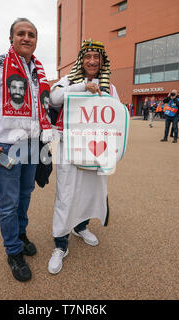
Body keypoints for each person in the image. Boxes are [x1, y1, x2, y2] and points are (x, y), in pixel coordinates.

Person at [0, 18, 53, 282]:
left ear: (36, 40)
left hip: (31, 145)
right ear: (11, 38)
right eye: (21, 33)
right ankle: (13, 252)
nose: (26, 38)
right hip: (6, 145)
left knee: (26, 195)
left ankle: (20, 233)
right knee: (9, 202)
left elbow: (42, 107)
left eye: (31, 34)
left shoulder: (37, 71)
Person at [47, 39, 120, 275]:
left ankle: (80, 226)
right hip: (69, 148)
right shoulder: (68, 80)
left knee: (90, 191)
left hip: (96, 149)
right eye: (87, 56)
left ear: (101, 61)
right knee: (66, 193)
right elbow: (53, 98)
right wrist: (81, 88)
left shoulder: (109, 86)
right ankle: (60, 244)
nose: (91, 61)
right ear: (81, 60)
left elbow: (117, 115)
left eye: (96, 57)